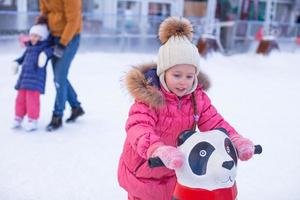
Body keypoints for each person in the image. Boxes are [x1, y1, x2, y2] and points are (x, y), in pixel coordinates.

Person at [117, 16, 255, 200]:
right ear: (163, 72)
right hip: (146, 169)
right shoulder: (149, 97)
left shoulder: (196, 98)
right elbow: (138, 128)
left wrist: (235, 139)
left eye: (189, 76)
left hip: (177, 170)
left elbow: (215, 122)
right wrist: (157, 149)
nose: (183, 82)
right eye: (177, 75)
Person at [38, 0, 85, 131]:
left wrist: (63, 43)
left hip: (70, 38)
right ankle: (76, 107)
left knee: (59, 77)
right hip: (53, 36)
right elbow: (45, 13)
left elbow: (73, 21)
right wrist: (39, 29)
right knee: (60, 77)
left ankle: (57, 115)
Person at [12, 22, 52, 131]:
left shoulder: (44, 48)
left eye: (36, 36)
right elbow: (22, 58)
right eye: (32, 35)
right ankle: (18, 117)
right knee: (20, 99)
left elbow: (50, 52)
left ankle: (32, 120)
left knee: (32, 100)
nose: (33, 38)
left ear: (42, 37)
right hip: (24, 79)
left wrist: (44, 56)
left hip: (36, 79)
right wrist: (16, 62)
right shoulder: (29, 48)